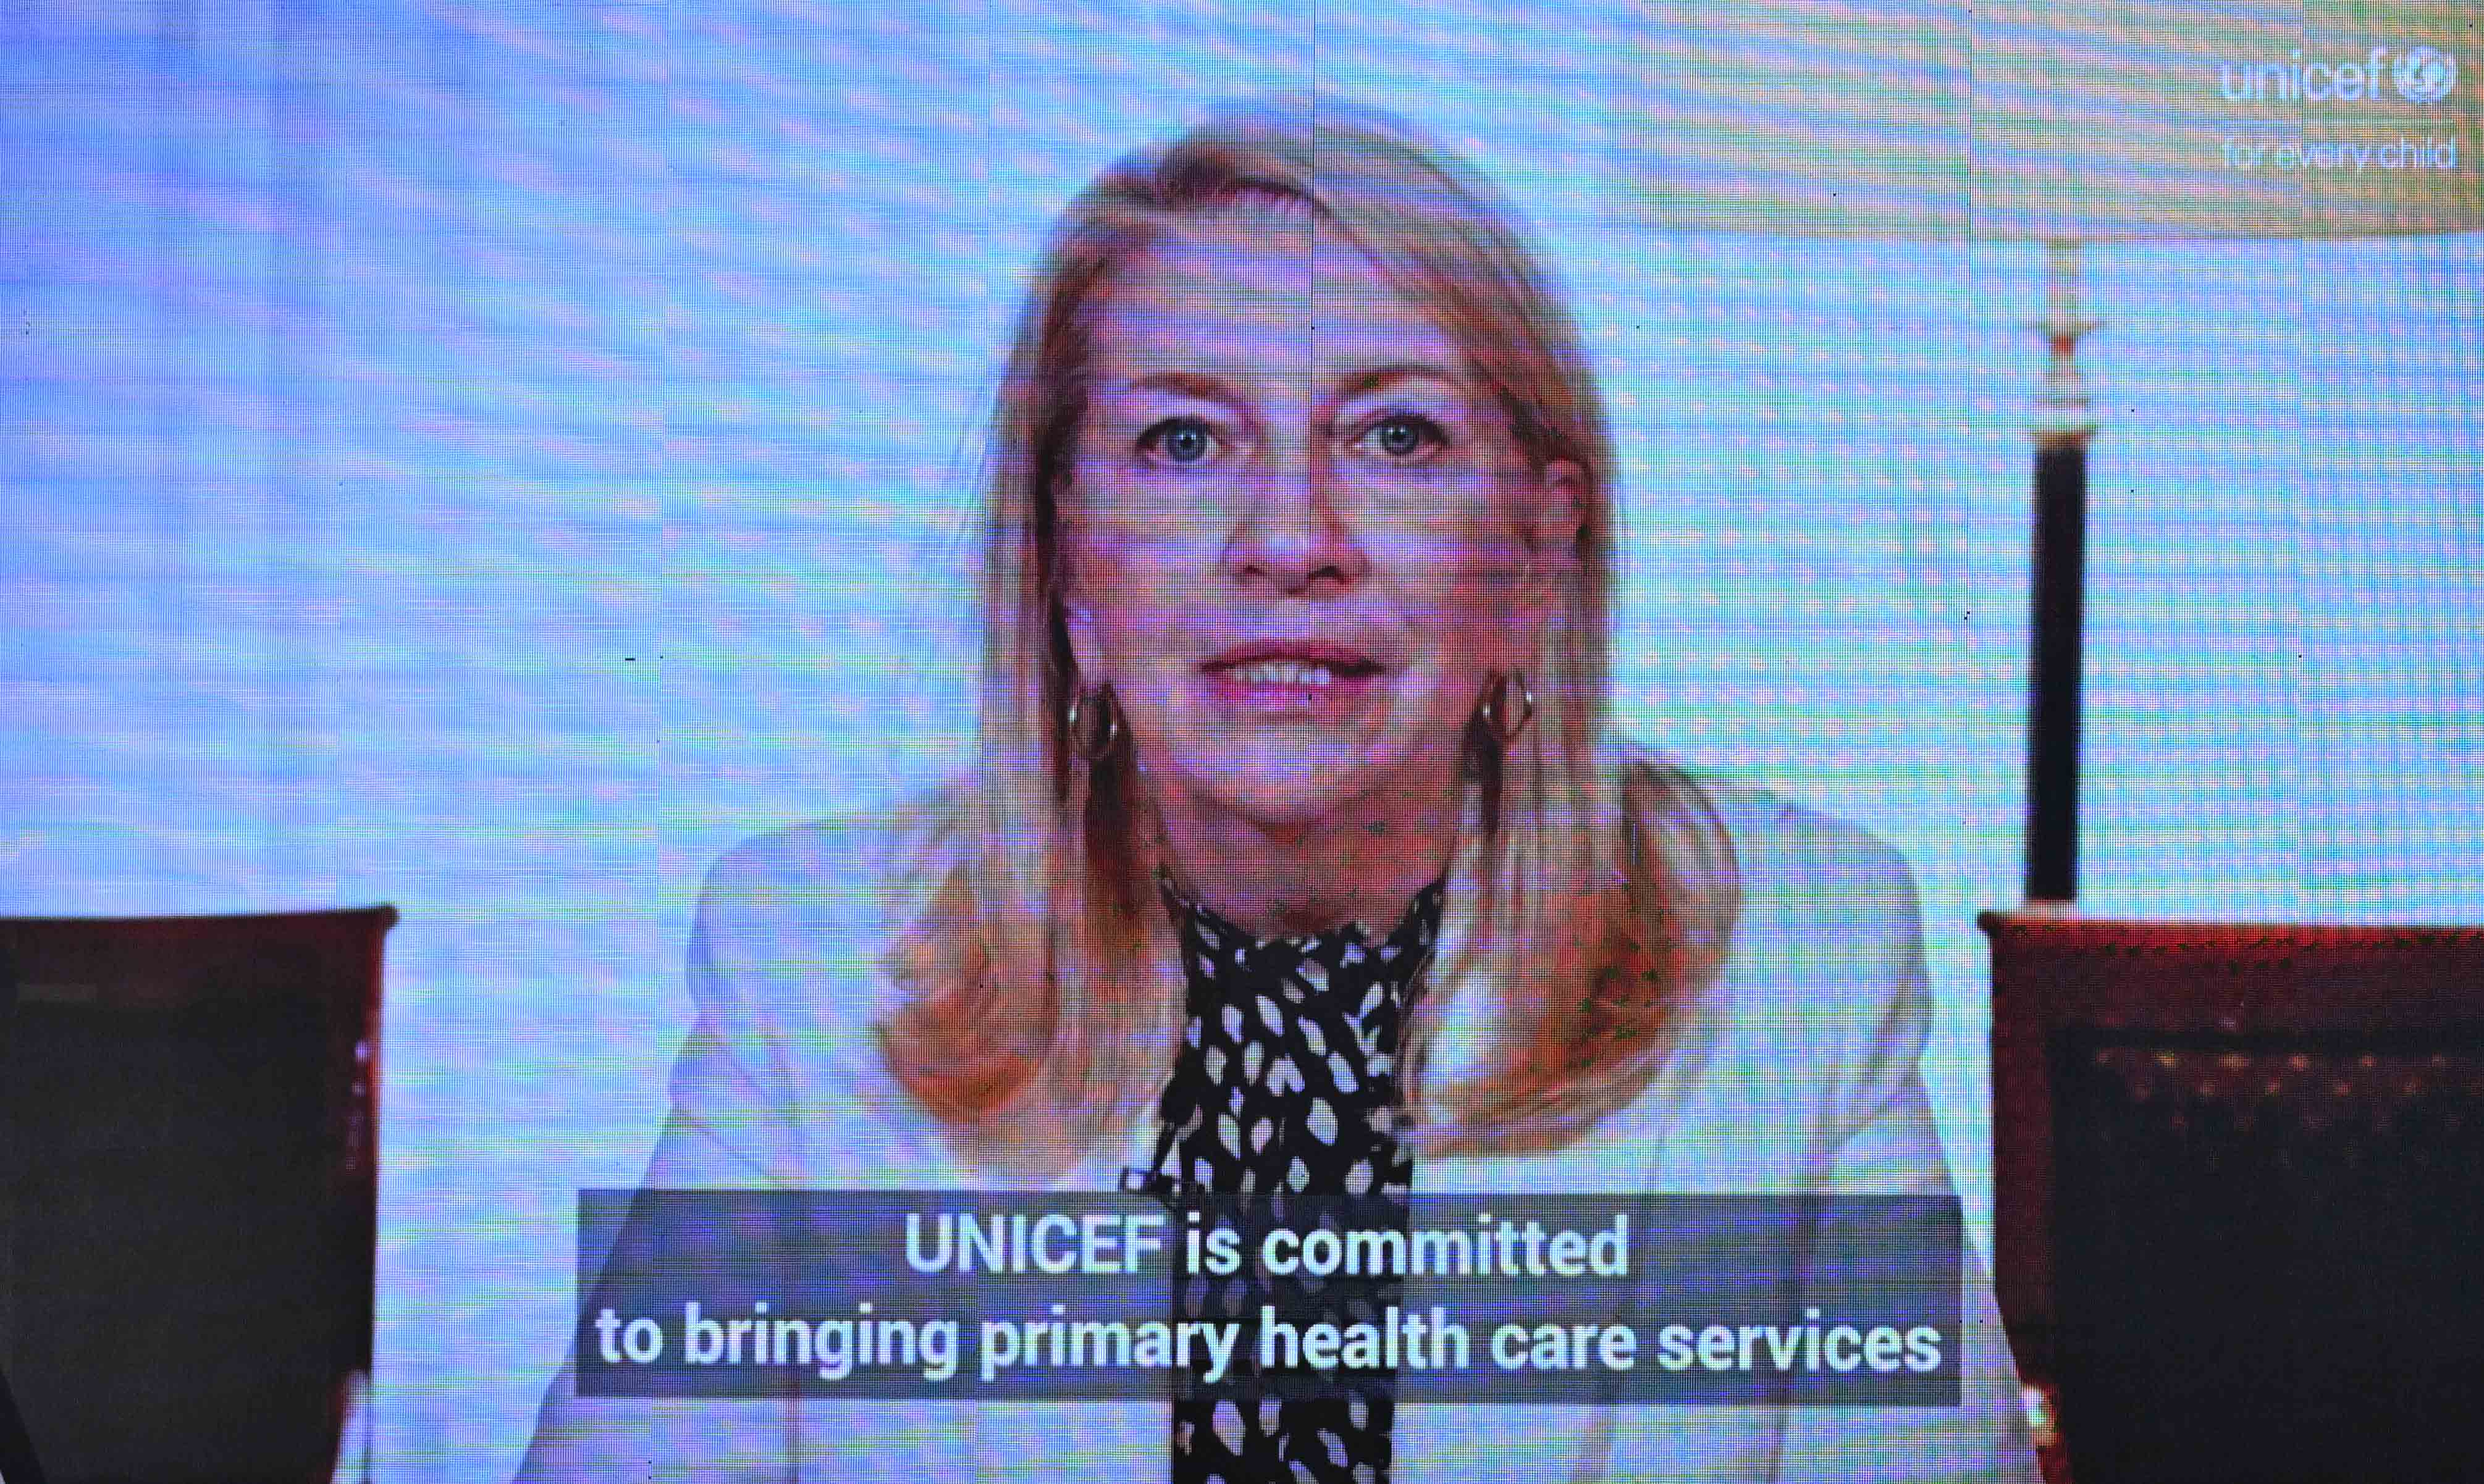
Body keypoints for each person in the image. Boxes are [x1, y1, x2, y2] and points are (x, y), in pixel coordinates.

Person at [517, 107, 2039, 1482]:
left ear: (1535, 551)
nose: (1290, 539)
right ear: (1066, 555)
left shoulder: (1793, 951)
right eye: (1183, 442)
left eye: (1394, 438)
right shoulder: (816, 953)